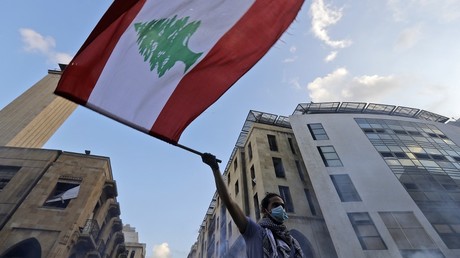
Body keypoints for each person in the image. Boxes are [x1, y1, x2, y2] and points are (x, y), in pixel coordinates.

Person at [202, 153, 304, 258]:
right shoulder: (254, 231)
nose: (281, 208)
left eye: (282, 206)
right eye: (275, 205)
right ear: (265, 210)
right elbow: (229, 202)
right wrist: (215, 169)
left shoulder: (291, 242)